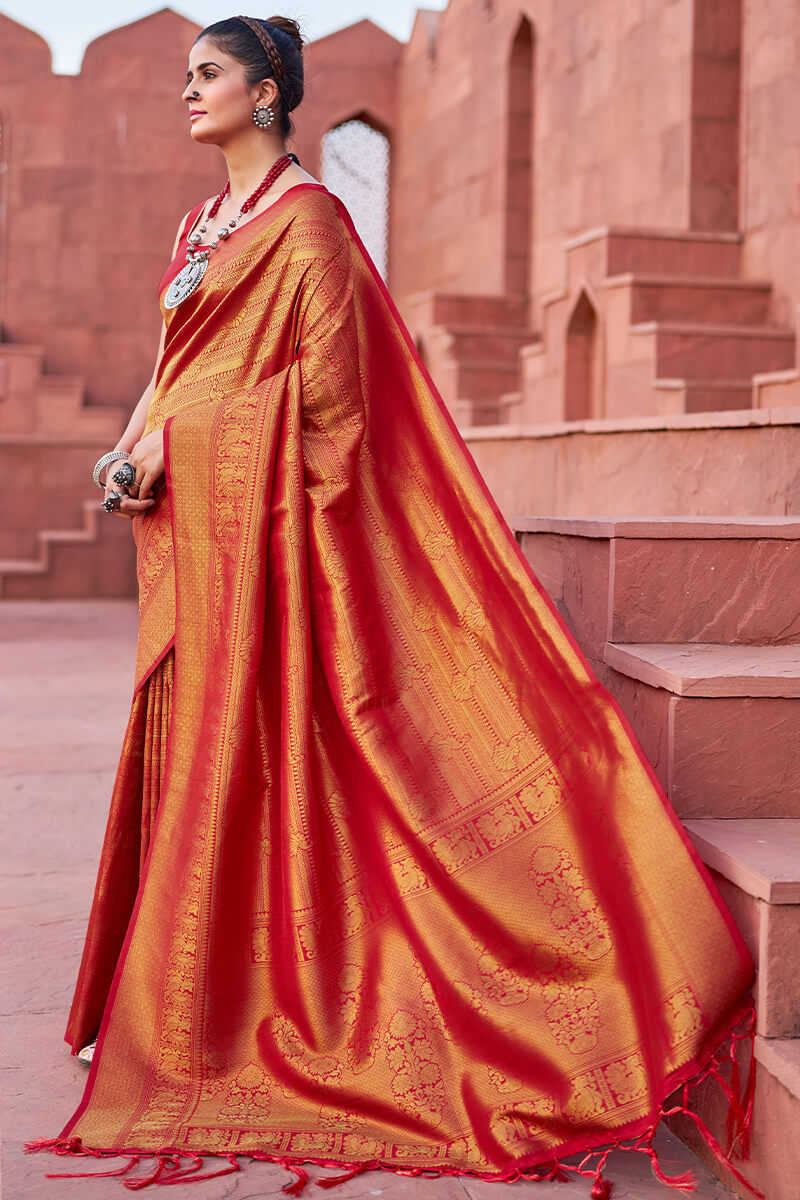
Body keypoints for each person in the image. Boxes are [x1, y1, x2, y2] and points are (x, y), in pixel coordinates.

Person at [26, 14, 756, 1196]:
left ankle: (264, 1003)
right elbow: (174, 363)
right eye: (182, 76)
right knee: (192, 728)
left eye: (206, 75)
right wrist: (125, 448)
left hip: (261, 525)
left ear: (268, 94)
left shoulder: (309, 223)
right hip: (195, 529)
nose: (186, 94)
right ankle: (180, 990)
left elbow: (331, 404)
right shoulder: (197, 227)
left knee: (262, 747)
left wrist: (185, 445)